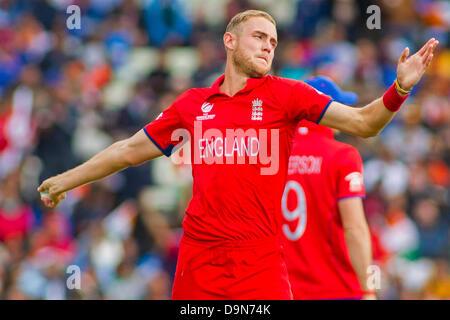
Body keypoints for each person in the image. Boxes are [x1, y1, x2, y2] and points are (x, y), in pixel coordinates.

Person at [38, 10, 438, 299]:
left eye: (274, 42)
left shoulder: (287, 94)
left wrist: (399, 89)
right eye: (259, 37)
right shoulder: (193, 104)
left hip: (260, 262)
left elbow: (365, 123)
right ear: (229, 41)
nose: (268, 46)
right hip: (199, 261)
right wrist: (64, 181)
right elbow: (127, 151)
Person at [280, 75, 375, 300]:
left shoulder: (273, 154)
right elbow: (356, 228)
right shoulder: (343, 155)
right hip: (336, 289)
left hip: (281, 290)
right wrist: (369, 289)